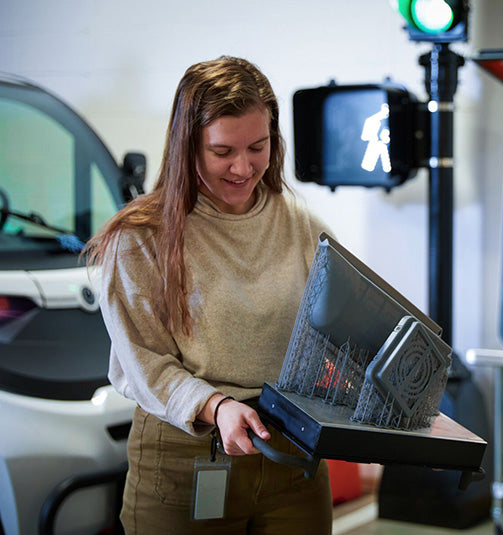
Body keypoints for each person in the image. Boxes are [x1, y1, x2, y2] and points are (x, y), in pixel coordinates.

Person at [84, 56, 333, 533]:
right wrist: (216, 406)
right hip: (186, 454)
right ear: (186, 146)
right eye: (223, 152)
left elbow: (335, 328)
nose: (243, 167)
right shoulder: (140, 238)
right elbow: (147, 362)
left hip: (291, 453)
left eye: (257, 147)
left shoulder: (300, 226)